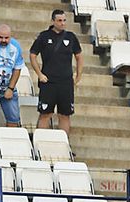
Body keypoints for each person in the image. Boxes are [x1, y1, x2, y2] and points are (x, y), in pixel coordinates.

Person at [28, 9, 81, 138]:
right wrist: (39, 74)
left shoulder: (71, 37)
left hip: (65, 82)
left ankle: (64, 145)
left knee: (64, 115)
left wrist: (78, 76)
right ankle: (40, 143)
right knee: (45, 114)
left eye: (64, 20)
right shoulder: (44, 36)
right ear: (53, 21)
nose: (62, 23)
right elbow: (32, 55)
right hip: (48, 82)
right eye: (59, 20)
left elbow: (79, 56)